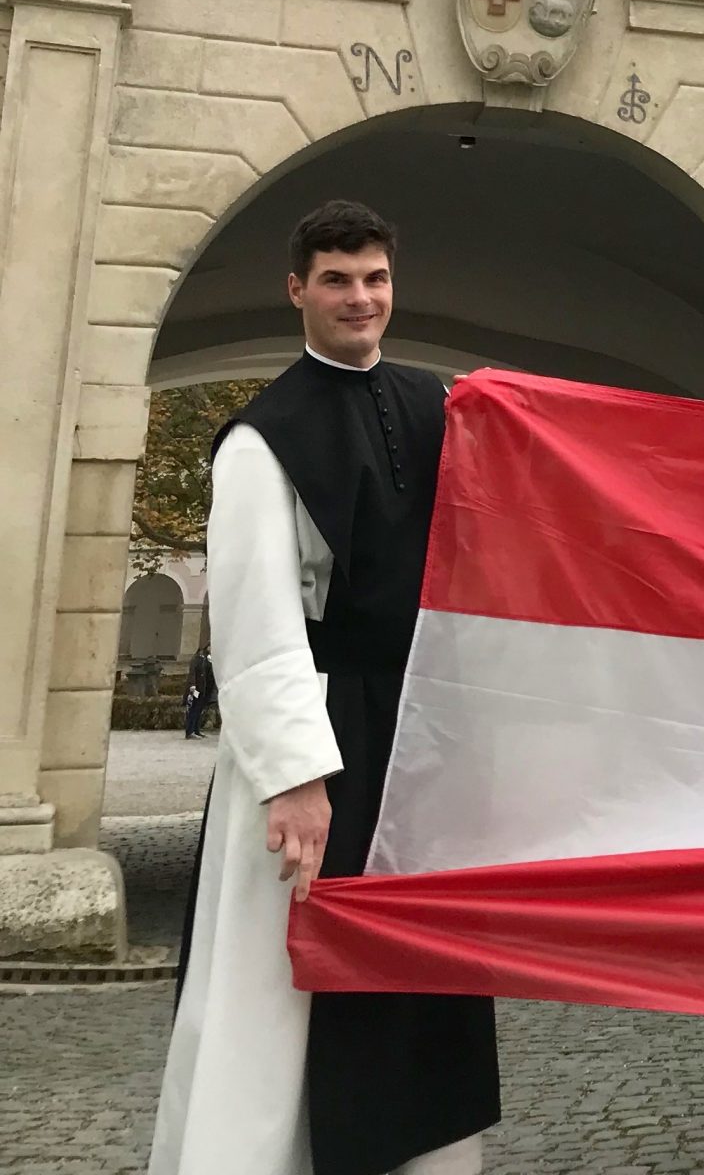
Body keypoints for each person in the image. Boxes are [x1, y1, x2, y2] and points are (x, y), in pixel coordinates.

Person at [151, 201, 498, 1175]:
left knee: (418, 970)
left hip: (418, 728)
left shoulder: (438, 403)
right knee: (283, 982)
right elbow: (256, 628)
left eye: (376, 278)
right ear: (297, 289)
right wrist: (296, 777)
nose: (361, 297)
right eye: (338, 279)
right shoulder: (263, 441)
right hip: (320, 732)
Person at [183, 642, 217, 739]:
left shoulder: (207, 659)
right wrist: (192, 685)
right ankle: (190, 731)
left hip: (204, 690)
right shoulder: (197, 659)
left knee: (199, 710)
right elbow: (192, 673)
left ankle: (196, 730)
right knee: (193, 709)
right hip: (196, 689)